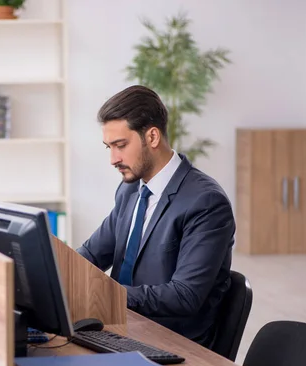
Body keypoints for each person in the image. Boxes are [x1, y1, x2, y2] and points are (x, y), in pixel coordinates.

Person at [77, 85, 235, 347]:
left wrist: (106, 295)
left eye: (120, 145)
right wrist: (51, 272)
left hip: (173, 344)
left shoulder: (206, 202)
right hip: (121, 330)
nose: (113, 159)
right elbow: (91, 256)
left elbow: (185, 295)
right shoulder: (130, 190)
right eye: (109, 148)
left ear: (152, 137)